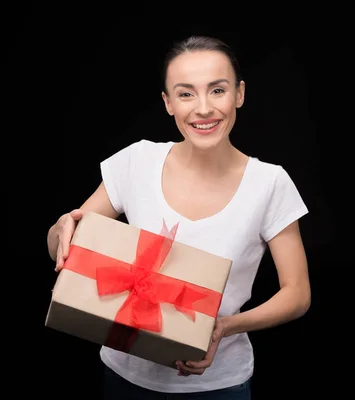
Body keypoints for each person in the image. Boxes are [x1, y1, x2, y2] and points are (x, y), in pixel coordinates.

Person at [46, 35, 311, 399]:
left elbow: (297, 294)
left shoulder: (270, 183)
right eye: (186, 94)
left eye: (217, 90)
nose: (203, 108)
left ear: (239, 94)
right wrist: (59, 229)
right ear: (168, 103)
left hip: (219, 385)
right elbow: (66, 247)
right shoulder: (137, 161)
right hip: (123, 377)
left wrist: (224, 327)